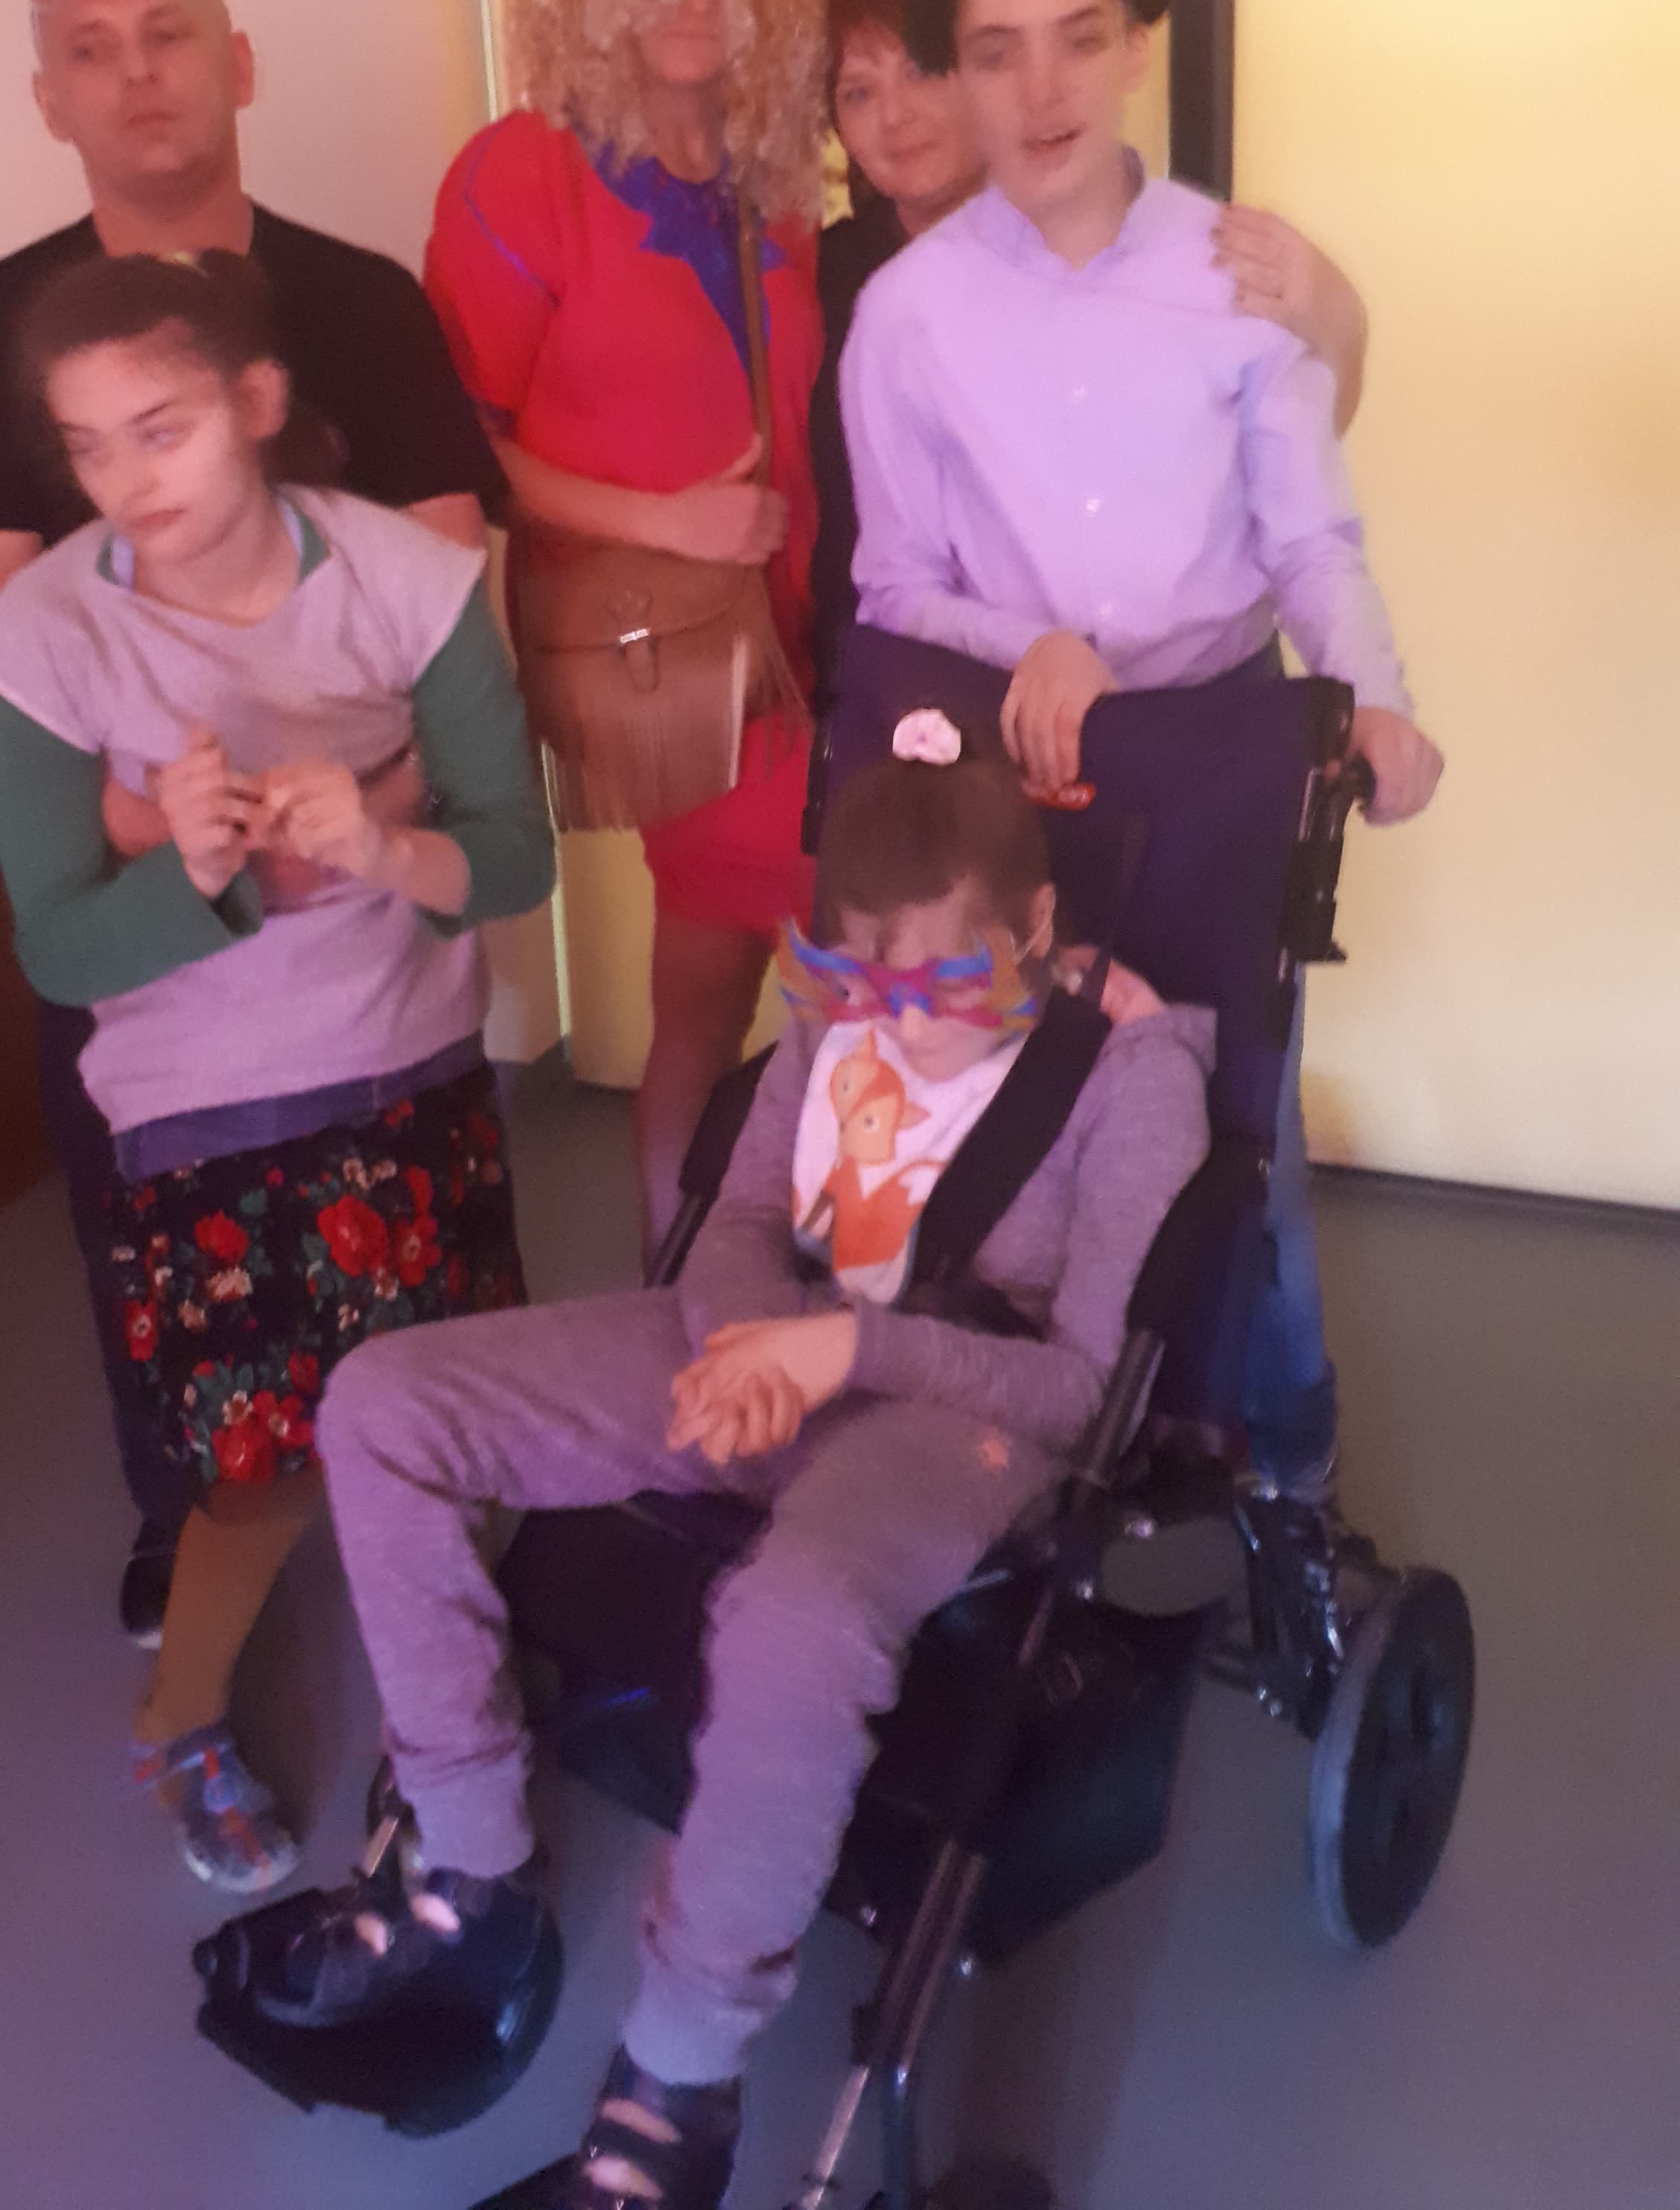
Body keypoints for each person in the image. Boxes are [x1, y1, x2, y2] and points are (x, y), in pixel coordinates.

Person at [246, 721, 1211, 2210]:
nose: (894, 1022)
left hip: (964, 1402)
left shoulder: (1130, 1076)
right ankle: (474, 1864)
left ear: (1033, 925)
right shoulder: (839, 1014)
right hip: (773, 1341)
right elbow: (748, 1218)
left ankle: (675, 2095)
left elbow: (1081, 1391)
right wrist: (750, 1347)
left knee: (797, 1612)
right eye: (863, 979)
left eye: (939, 980)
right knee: (384, 1406)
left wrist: (846, 1352)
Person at [840, 0, 1444, 1503]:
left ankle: (1283, 1456)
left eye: (1079, 38)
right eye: (996, 51)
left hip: (1222, 747)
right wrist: (1026, 645)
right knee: (1006, 1087)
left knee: (1237, 1114)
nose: (1041, 90)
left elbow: (1310, 538)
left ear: (1133, 48)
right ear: (957, 76)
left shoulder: (1242, 274)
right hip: (1013, 764)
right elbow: (892, 588)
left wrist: (1377, 701)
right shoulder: (906, 316)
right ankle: (1023, 1443)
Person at [0, 251, 554, 1888]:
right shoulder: (45, 630)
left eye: (160, 428)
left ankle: (447, 1711)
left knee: (447, 1422)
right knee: (257, 1475)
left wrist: (385, 848)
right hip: (207, 1110)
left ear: (254, 403)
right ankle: (178, 1714)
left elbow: (516, 855)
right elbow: (58, 947)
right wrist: (194, 872)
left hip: (410, 1067)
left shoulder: (408, 582)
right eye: (86, 446)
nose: (126, 481)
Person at [0, 0, 507, 1646]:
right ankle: (189, 1510)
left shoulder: (361, 301)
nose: (136, 75)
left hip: (374, 879)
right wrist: (153, 829)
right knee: (151, 1223)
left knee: (420, 1206)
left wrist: (378, 820)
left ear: (240, 63)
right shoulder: (8, 325)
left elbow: (451, 581)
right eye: (89, 51)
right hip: (147, 887)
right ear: (46, 102)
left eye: (168, 36)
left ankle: (448, 1509)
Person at [422, 0, 833, 1249]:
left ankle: (716, 1277)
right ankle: (714, 1280)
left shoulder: (785, 171)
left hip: (823, 628)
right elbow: (462, 447)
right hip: (674, 650)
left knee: (710, 985)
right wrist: (667, 519)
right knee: (832, 954)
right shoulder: (518, 177)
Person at [810, 0, 1372, 707]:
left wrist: (1339, 319)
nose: (896, 116)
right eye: (857, 92)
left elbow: (1279, 490)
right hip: (928, 697)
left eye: (918, 72)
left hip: (1196, 696)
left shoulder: (1168, 249)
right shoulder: (832, 284)